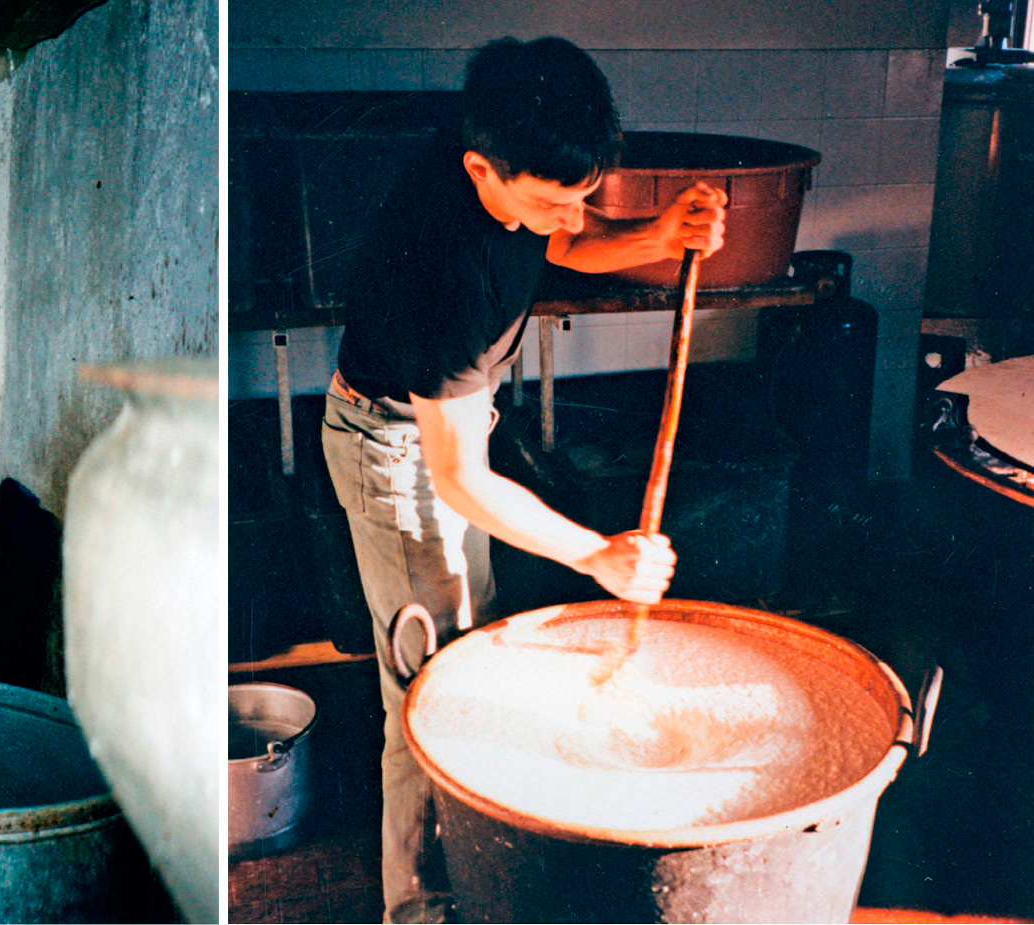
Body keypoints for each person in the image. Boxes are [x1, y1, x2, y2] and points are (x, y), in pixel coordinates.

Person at [318, 37, 727, 922]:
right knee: (427, 694)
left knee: (473, 655)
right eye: (548, 199)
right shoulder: (447, 269)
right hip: (390, 446)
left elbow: (566, 240)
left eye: (578, 193)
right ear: (480, 171)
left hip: (446, 424)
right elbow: (460, 479)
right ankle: (420, 910)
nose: (565, 214)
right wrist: (600, 556)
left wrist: (659, 235)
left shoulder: (507, 154)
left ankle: (481, 879)